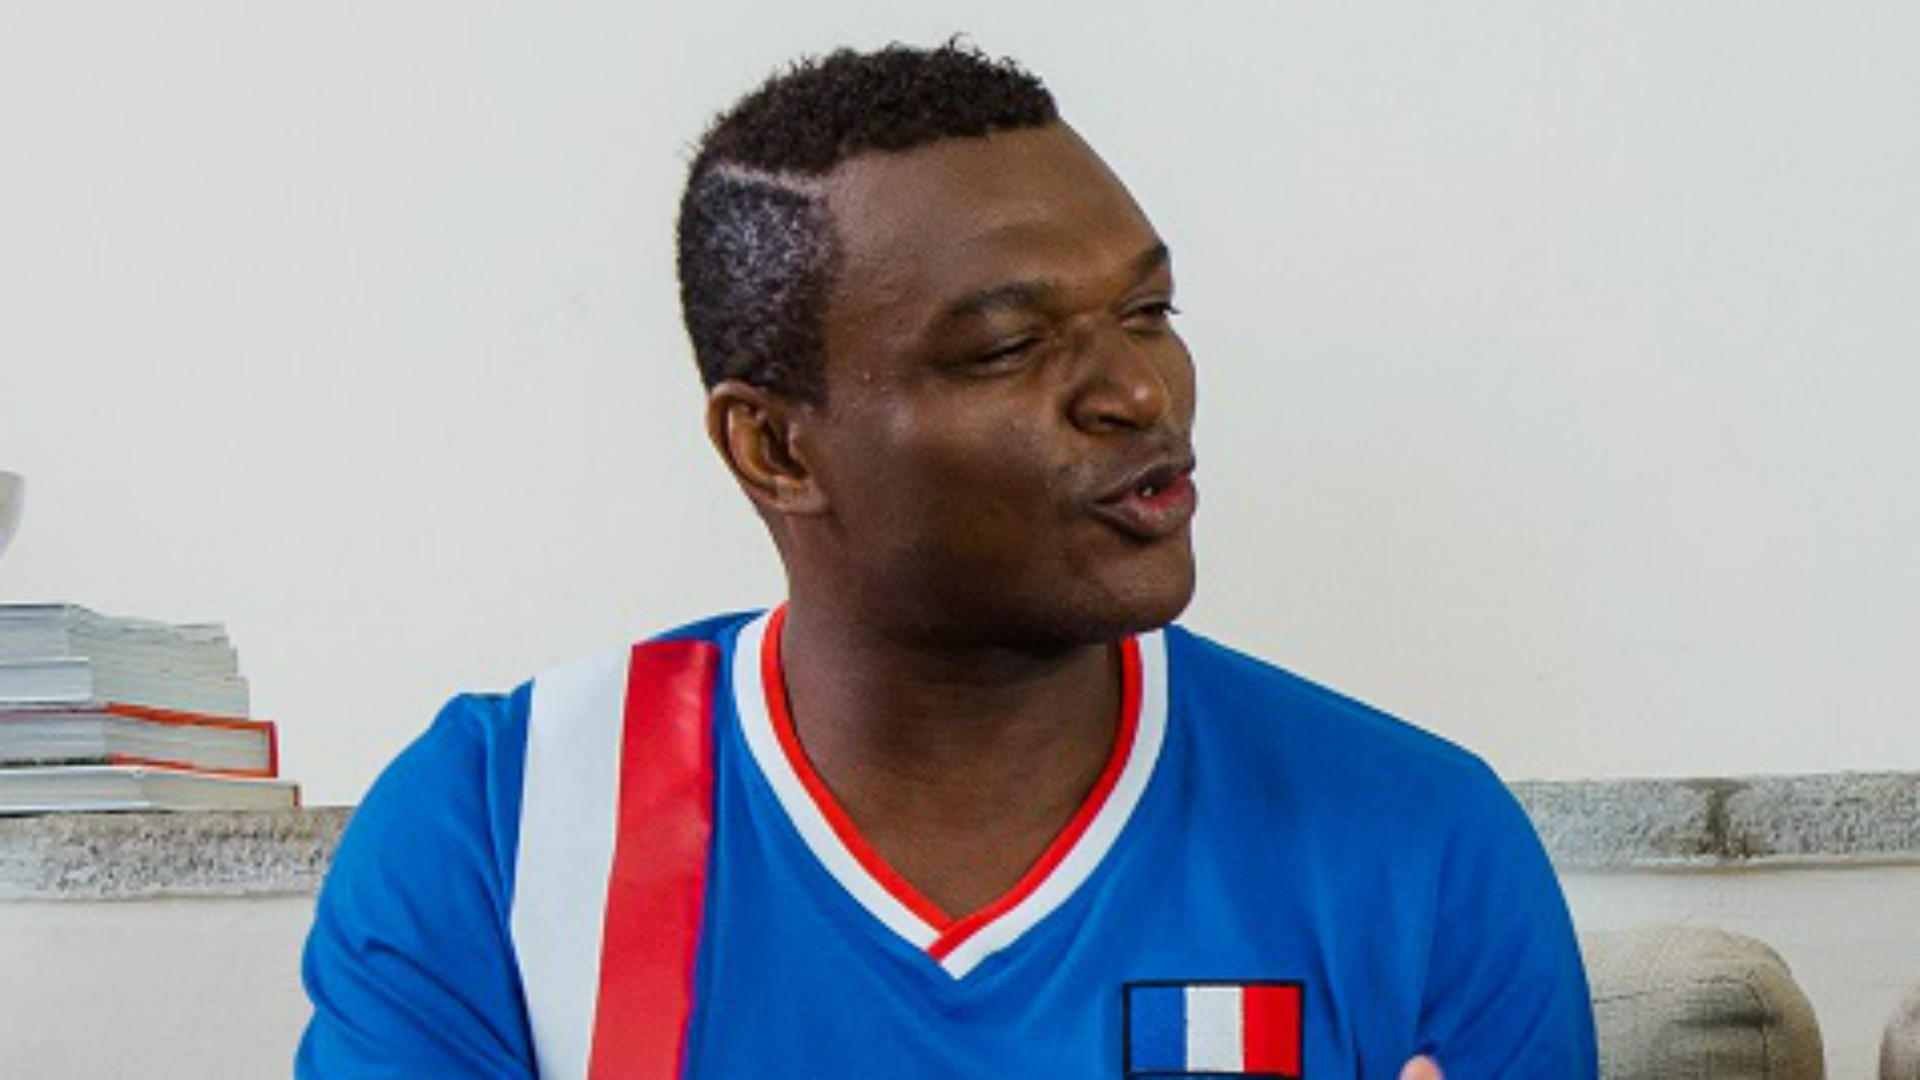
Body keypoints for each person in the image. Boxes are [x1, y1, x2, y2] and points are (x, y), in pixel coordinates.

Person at [297, 42, 1597, 1079]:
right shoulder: (502, 830)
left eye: (1150, 312)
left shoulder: (1422, 842)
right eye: (1008, 348)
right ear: (775, 448)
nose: (1139, 392)